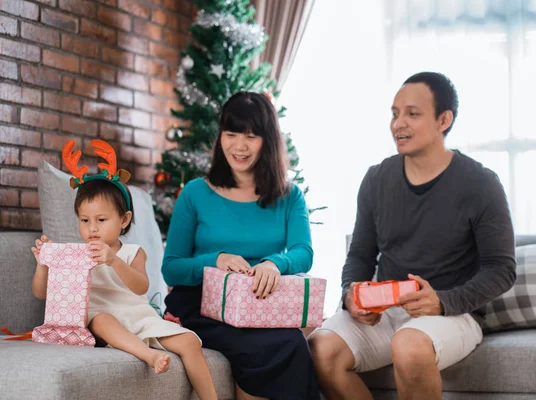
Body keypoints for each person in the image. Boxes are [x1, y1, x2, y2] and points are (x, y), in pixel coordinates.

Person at [308, 72, 517, 400]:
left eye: (412, 114)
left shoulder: (480, 184)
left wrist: (442, 301)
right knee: (321, 347)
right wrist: (351, 296)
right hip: (386, 312)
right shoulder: (377, 179)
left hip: (451, 313)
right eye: (394, 113)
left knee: (409, 345)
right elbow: (361, 254)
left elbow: (502, 270)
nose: (398, 124)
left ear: (443, 120)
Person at [161, 91, 321, 400]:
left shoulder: (290, 196)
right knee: (268, 347)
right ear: (220, 136)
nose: (239, 146)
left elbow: (304, 252)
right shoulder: (195, 193)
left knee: (292, 342)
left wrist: (275, 263)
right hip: (201, 306)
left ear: (268, 140)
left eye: (251, 136)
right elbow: (171, 268)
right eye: (231, 134)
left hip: (259, 305)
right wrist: (215, 259)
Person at [31, 140, 218, 400]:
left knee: (188, 342)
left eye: (101, 220)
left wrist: (114, 261)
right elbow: (42, 294)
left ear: (124, 220)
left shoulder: (132, 252)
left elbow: (141, 286)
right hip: (101, 320)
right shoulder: (75, 254)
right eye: (84, 220)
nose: (92, 228)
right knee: (101, 320)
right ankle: (148, 355)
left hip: (138, 317)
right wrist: (43, 265)